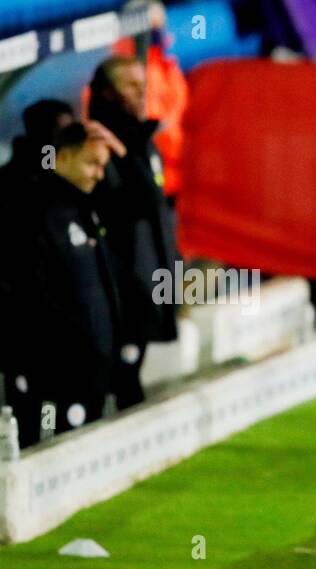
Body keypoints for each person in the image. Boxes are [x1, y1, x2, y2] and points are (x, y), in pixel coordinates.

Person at [1, 123, 125, 446]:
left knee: (83, 450)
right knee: (46, 440)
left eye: (103, 165)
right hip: (52, 380)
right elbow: (24, 296)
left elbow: (138, 202)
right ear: (64, 157)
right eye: (92, 163)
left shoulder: (87, 209)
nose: (99, 174)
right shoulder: (34, 213)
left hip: (91, 373)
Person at [88, 55, 181, 413]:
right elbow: (132, 205)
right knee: (123, 383)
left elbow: (156, 208)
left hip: (152, 277)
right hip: (125, 287)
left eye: (144, 85)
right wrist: (125, 154)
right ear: (108, 93)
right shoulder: (100, 146)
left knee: (132, 376)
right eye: (131, 85)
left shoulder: (143, 139)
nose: (141, 93)